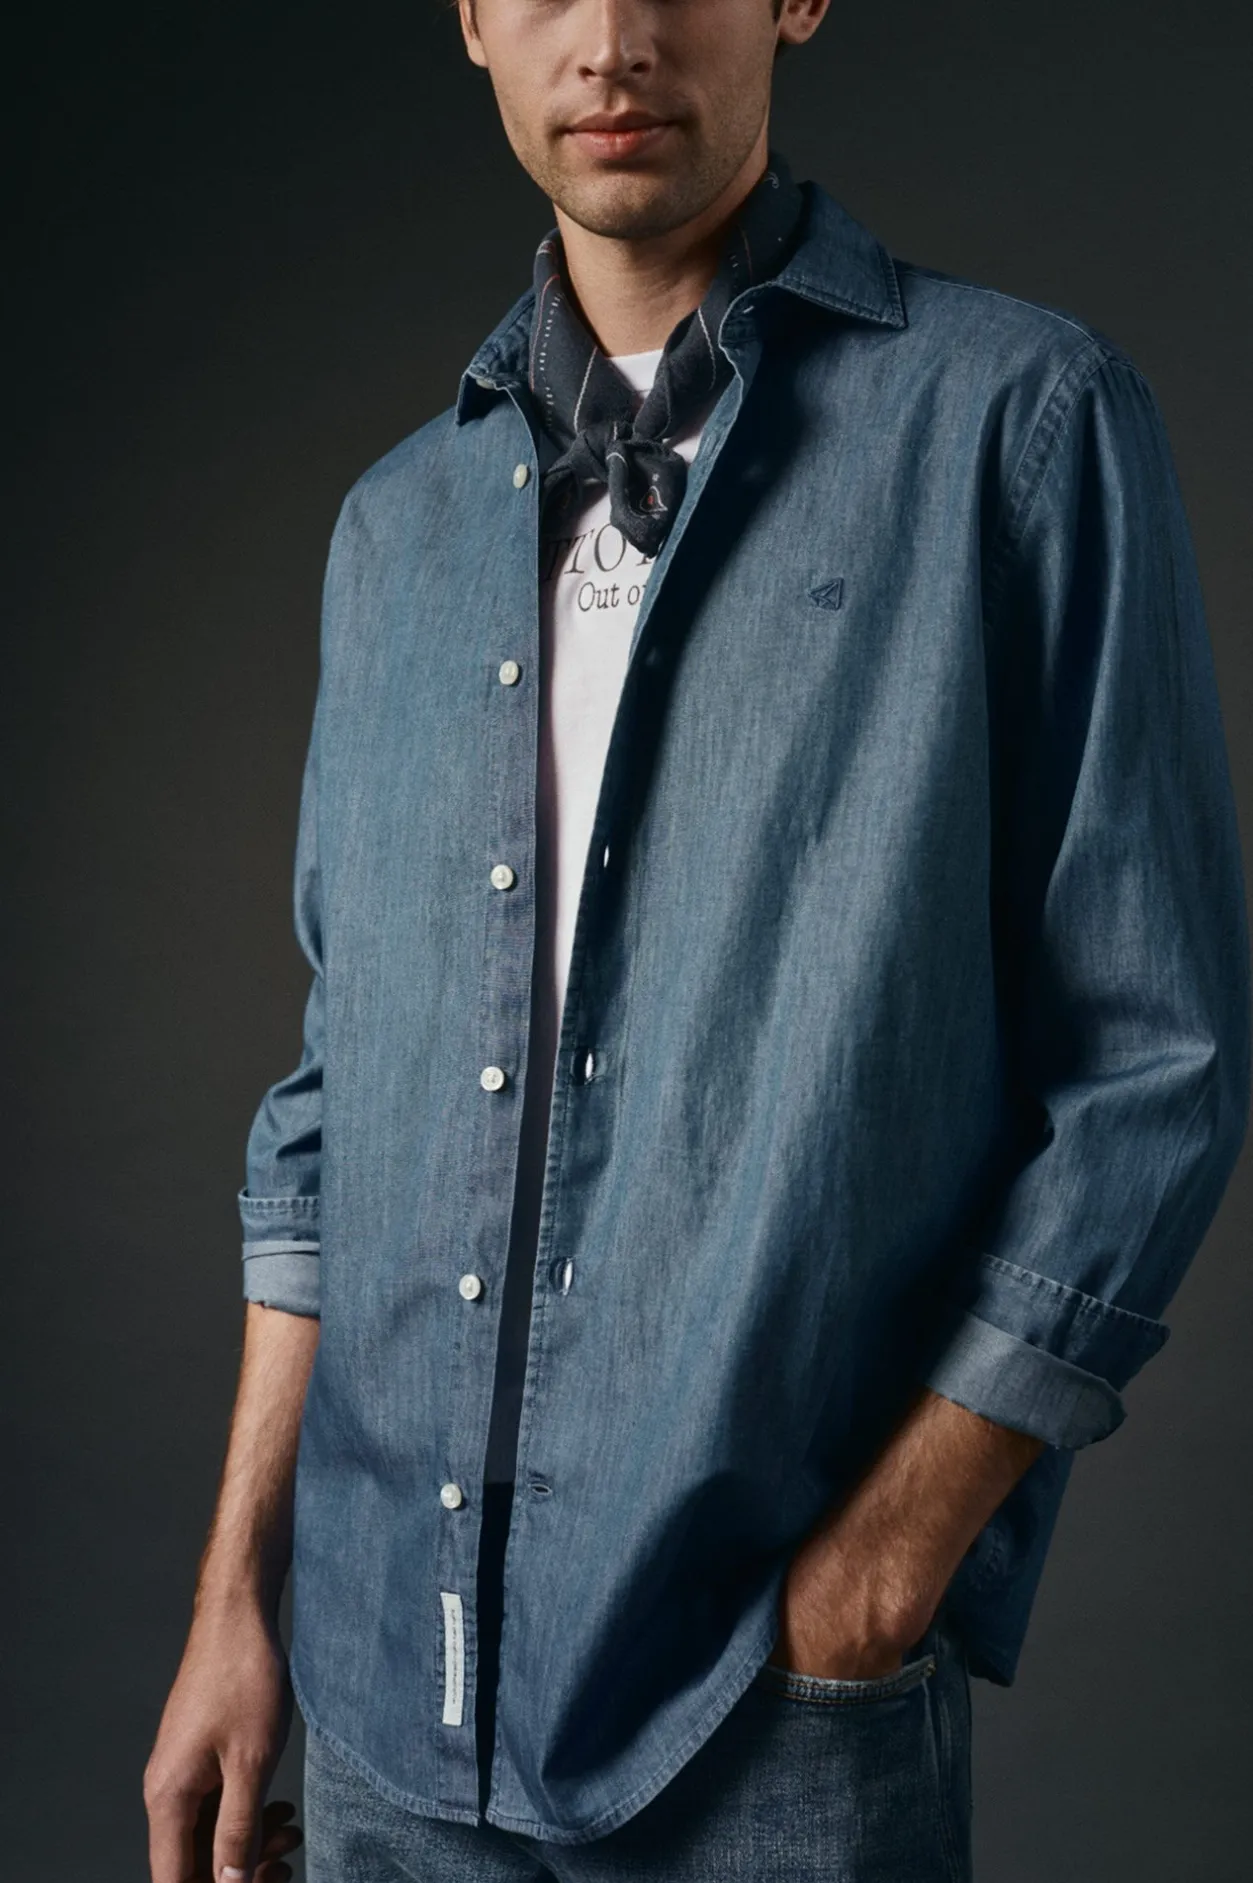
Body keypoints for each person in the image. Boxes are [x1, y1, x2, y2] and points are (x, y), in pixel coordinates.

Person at [143, 0, 1251, 1877]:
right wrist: (236, 1602)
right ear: (470, 18)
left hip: (765, 1722)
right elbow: (334, 1112)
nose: (614, 38)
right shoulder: (393, 533)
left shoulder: (1019, 424)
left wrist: (881, 1575)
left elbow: (1156, 1062)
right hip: (378, 1715)